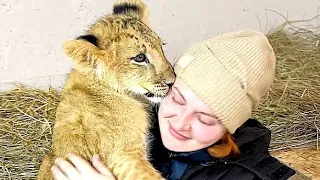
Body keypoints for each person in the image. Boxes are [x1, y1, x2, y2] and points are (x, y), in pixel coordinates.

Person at [50, 30, 299, 180]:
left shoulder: (247, 177)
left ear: (230, 127)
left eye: (205, 118)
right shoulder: (140, 124)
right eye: (178, 98)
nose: (179, 123)